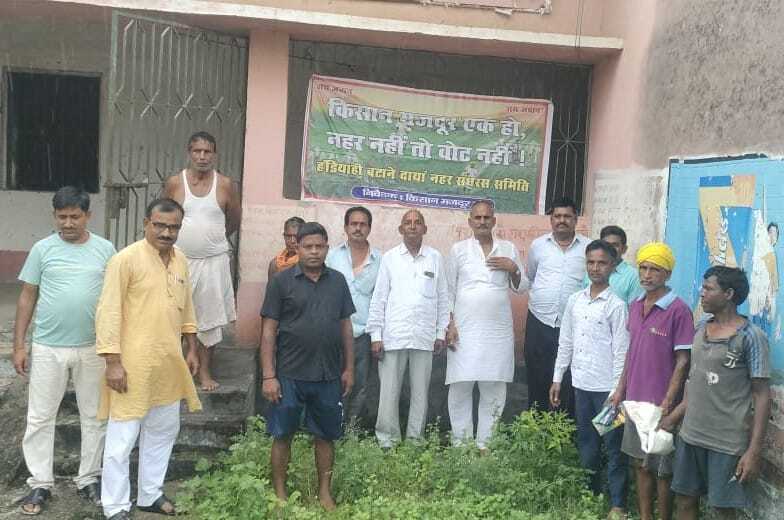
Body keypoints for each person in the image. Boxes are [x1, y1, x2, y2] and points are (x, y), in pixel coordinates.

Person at [96, 198, 201, 520]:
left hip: (169, 363)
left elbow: (186, 307)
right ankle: (115, 506)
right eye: (160, 225)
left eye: (173, 227)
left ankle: (150, 494)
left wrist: (192, 347)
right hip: (132, 365)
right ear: (146, 223)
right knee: (122, 439)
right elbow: (108, 311)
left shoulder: (181, 260)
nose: (166, 233)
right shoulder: (125, 260)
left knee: (163, 432)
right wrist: (113, 362)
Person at [12, 187, 116, 515]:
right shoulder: (42, 249)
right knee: (40, 417)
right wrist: (19, 345)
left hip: (93, 348)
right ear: (54, 216)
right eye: (62, 217)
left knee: (95, 416)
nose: (68, 223)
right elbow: (27, 296)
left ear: (88, 216)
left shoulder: (105, 250)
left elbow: (115, 298)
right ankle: (40, 483)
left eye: (75, 216)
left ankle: (89, 478)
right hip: (47, 347)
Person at [260, 222, 355, 510]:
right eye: (308, 246)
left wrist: (349, 368)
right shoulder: (281, 281)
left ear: (327, 248)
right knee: (282, 435)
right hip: (288, 373)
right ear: (297, 248)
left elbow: (346, 327)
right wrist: (268, 376)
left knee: (325, 436)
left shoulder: (338, 281)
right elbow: (268, 331)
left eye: (319, 246)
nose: (314, 252)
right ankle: (280, 493)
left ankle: (324, 493)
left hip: (328, 374)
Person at [668, 267, 770, 519]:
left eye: (708, 288)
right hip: (691, 435)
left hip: (726, 442)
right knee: (684, 499)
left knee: (722, 509)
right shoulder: (701, 327)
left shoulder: (750, 337)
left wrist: (753, 451)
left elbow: (761, 395)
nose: (701, 293)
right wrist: (674, 418)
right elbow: (695, 380)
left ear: (729, 294)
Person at [610, 242, 694, 520]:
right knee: (639, 463)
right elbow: (632, 351)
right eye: (643, 268)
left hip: (661, 403)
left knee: (662, 469)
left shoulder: (679, 310)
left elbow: (683, 361)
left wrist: (668, 401)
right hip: (635, 400)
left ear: (667, 274)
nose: (647, 275)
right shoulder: (635, 305)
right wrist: (620, 389)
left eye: (654, 270)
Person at [550, 240, 629, 518]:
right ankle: (590, 495)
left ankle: (618, 504)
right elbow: (566, 342)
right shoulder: (576, 300)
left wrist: (617, 392)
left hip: (607, 393)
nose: (595, 268)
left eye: (602, 263)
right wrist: (558, 378)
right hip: (581, 387)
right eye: (591, 262)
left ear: (613, 266)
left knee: (613, 447)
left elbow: (621, 353)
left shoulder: (616, 306)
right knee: (586, 443)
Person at [445, 201, 526, 451]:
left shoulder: (508, 249)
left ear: (494, 221)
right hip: (464, 329)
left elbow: (522, 287)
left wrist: (513, 269)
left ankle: (485, 446)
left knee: (494, 387)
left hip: (497, 331)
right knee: (460, 386)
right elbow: (448, 290)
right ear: (470, 221)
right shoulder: (459, 250)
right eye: (477, 218)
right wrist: (449, 324)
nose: (482, 222)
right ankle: (462, 447)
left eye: (486, 217)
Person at [164, 131, 241, 391]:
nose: (202, 156)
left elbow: (234, 219)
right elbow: (164, 216)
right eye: (197, 151)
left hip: (213, 262)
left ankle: (205, 372)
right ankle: (175, 370)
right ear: (189, 153)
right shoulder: (175, 183)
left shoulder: (225, 184)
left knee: (209, 319)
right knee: (174, 314)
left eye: (207, 152)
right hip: (179, 261)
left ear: (214, 155)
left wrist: (210, 239)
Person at [367, 209, 450, 448]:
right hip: (393, 335)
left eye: (418, 222)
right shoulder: (390, 258)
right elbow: (379, 298)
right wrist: (375, 335)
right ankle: (387, 440)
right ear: (400, 229)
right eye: (408, 222)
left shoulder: (435, 258)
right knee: (389, 391)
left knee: (420, 392)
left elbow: (443, 297)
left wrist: (440, 332)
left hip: (424, 336)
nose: (413, 226)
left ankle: (415, 439)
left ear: (425, 228)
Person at [524, 196, 590, 417]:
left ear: (576, 219)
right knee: (537, 375)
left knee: (568, 378)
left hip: (573, 325)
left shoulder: (588, 248)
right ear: (551, 219)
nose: (562, 220)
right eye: (557, 216)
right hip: (539, 321)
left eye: (567, 216)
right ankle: (535, 426)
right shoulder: (538, 246)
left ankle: (564, 428)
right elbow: (531, 276)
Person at [325, 206, 381, 422]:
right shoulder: (332, 257)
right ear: (346, 227)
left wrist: (377, 335)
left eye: (363, 224)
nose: (358, 228)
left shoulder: (380, 260)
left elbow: (382, 299)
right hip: (333, 332)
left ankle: (351, 429)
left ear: (369, 228)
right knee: (331, 381)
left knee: (360, 383)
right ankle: (331, 426)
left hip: (364, 334)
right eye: (353, 224)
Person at [584, 225, 643, 306]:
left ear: (624, 249)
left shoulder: (634, 276)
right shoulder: (592, 271)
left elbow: (635, 309)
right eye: (606, 245)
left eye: (615, 245)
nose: (610, 248)